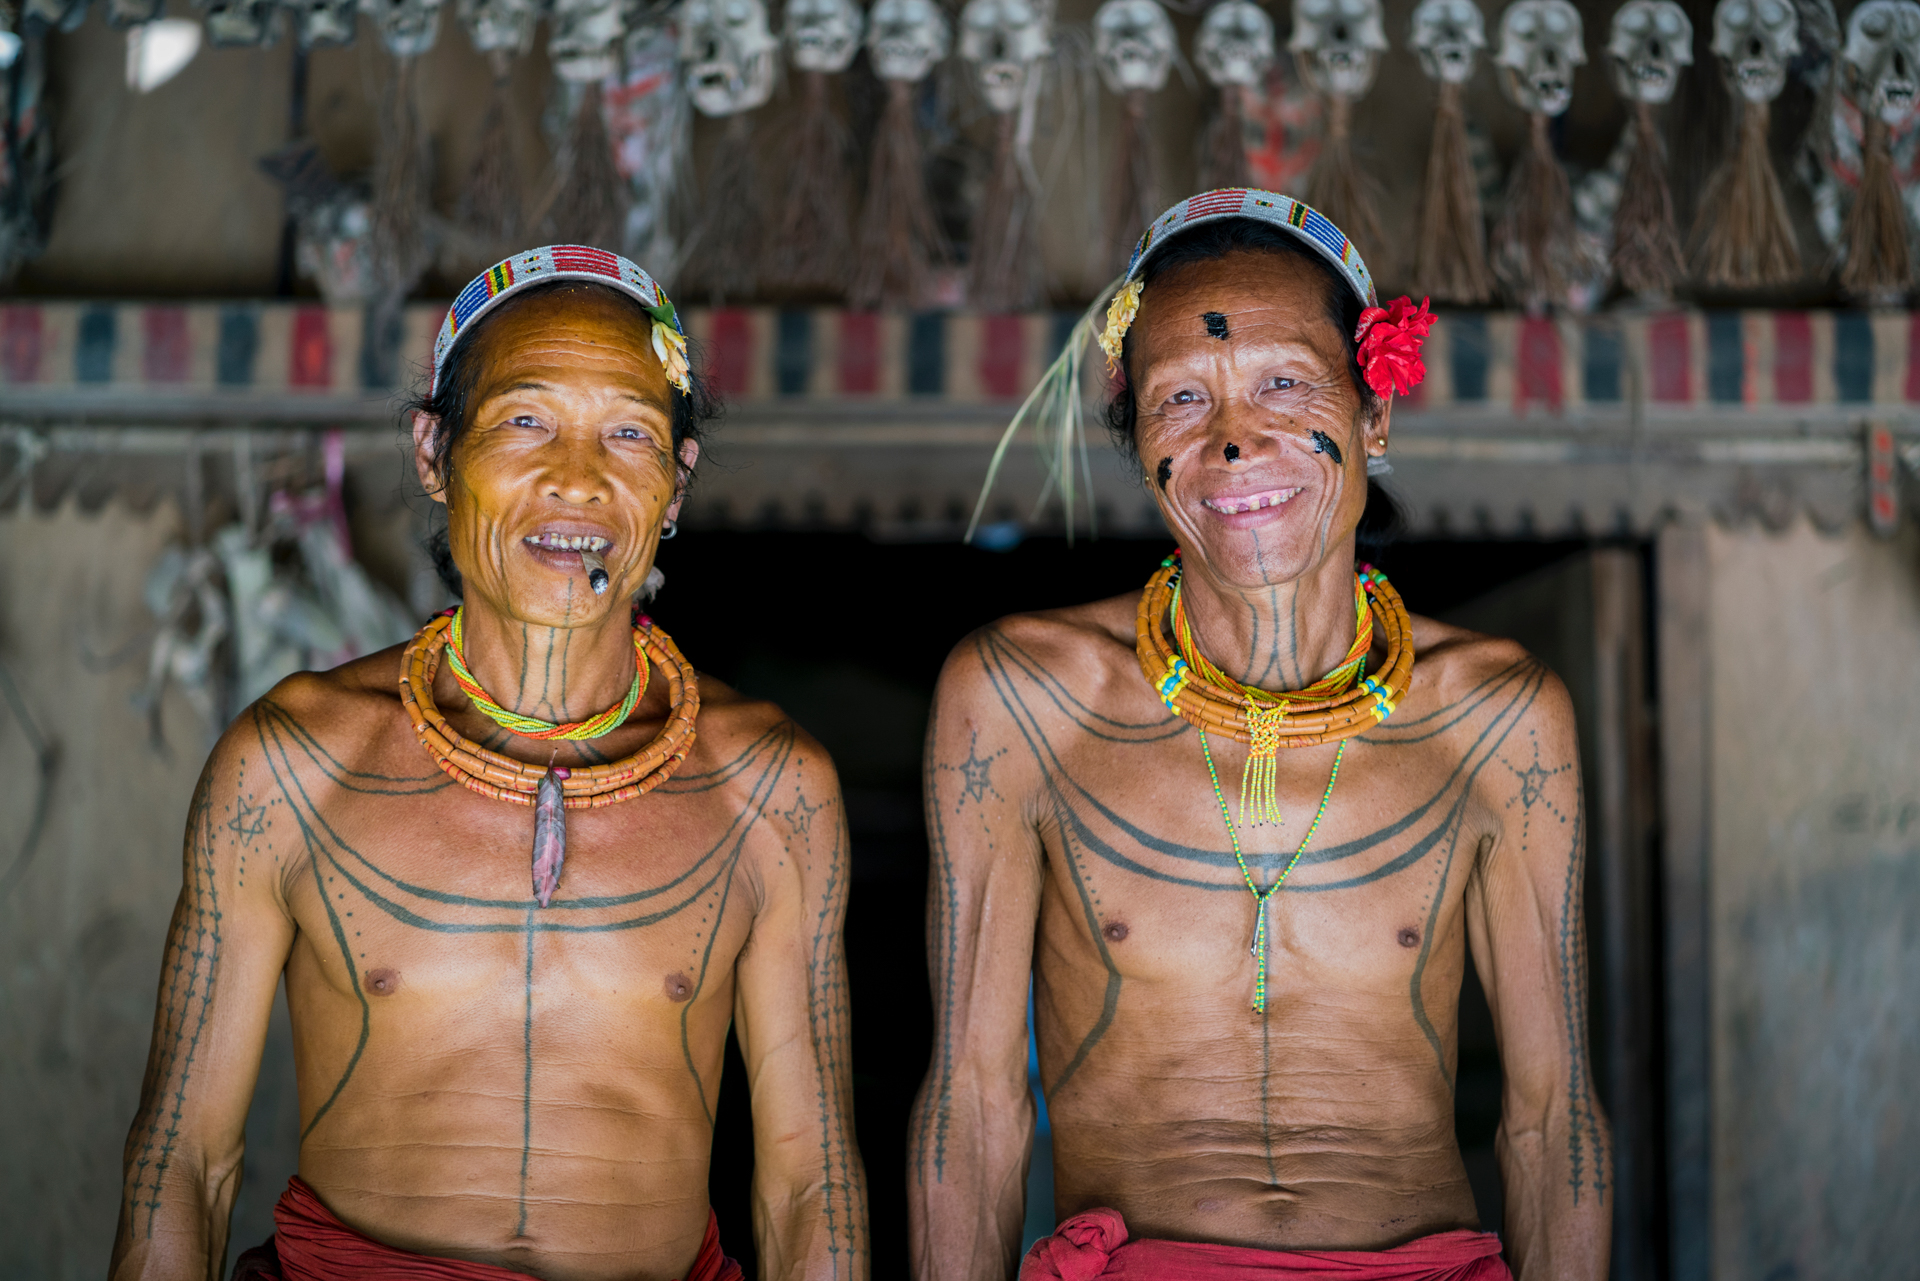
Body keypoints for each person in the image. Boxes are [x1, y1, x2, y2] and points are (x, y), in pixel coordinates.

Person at [111, 247, 868, 1281]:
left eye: (631, 435)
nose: (578, 479)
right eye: (525, 421)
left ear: (676, 485)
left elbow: (808, 1182)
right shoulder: (287, 766)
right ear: (433, 451)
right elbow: (184, 1156)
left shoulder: (772, 788)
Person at [909, 191, 1609, 1280]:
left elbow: (1552, 1111)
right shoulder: (1017, 699)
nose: (1235, 439)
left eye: (1285, 382)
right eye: (1182, 398)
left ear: (1374, 413)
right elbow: (974, 1099)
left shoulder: (1500, 716)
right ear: (1137, 434)